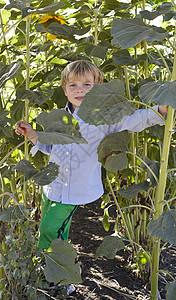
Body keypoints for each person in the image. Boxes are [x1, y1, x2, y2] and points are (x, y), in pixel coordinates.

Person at [16, 60, 168, 251]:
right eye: (73, 85)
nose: (79, 90)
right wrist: (32, 135)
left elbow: (133, 120)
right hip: (53, 186)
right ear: (65, 90)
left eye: (87, 85)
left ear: (97, 88)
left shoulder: (103, 117)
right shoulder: (58, 117)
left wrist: (158, 113)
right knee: (55, 231)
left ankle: (59, 273)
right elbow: (51, 148)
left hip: (74, 190)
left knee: (49, 229)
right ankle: (53, 269)